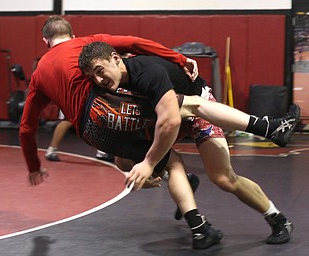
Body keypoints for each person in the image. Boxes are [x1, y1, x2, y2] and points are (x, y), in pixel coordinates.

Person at [19, 15, 223, 250]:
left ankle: (179, 184)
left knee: (132, 160)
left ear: (46, 41)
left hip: (91, 132)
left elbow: (26, 128)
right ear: (72, 35)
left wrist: (33, 165)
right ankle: (200, 229)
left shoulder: (39, 73)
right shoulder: (85, 43)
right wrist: (179, 57)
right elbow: (134, 43)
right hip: (110, 109)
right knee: (172, 139)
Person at [78, 41, 300, 245]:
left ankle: (277, 217)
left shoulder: (146, 72)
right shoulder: (112, 82)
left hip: (194, 110)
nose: (99, 80)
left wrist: (149, 164)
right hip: (164, 113)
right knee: (123, 159)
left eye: (100, 72)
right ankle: (182, 180)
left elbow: (172, 119)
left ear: (116, 59)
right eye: (92, 77)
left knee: (223, 177)